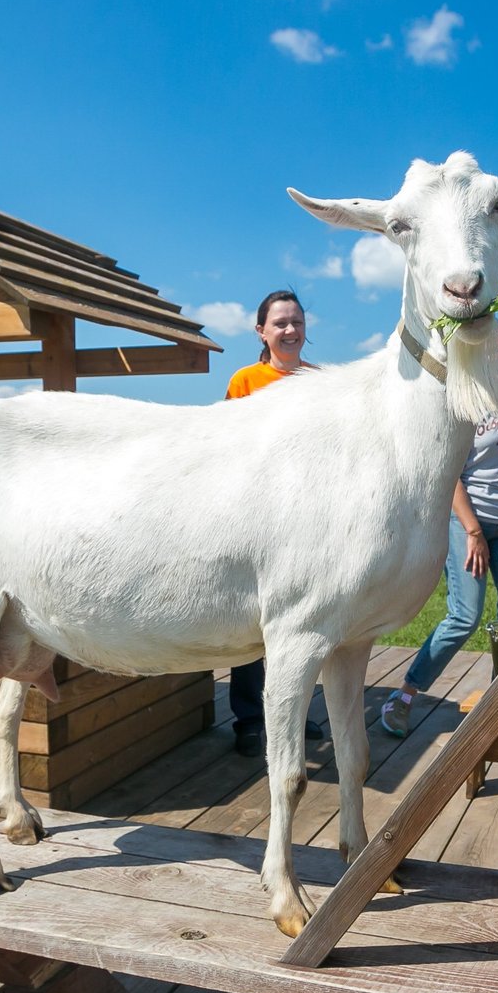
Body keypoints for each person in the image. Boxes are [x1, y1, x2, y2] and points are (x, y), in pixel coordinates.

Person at [380, 321, 498, 737]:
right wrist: (472, 532)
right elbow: (450, 475)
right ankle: (406, 695)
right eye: (485, 349)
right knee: (464, 617)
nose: (493, 356)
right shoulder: (467, 400)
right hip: (468, 522)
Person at [225, 289, 325, 757]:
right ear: (261, 331)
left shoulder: (321, 382)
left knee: (304, 625)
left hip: (307, 525)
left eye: (296, 322)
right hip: (255, 521)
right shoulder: (245, 380)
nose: (290, 330)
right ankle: (248, 719)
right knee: (254, 623)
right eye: (280, 323)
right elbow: (222, 446)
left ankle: (297, 714)